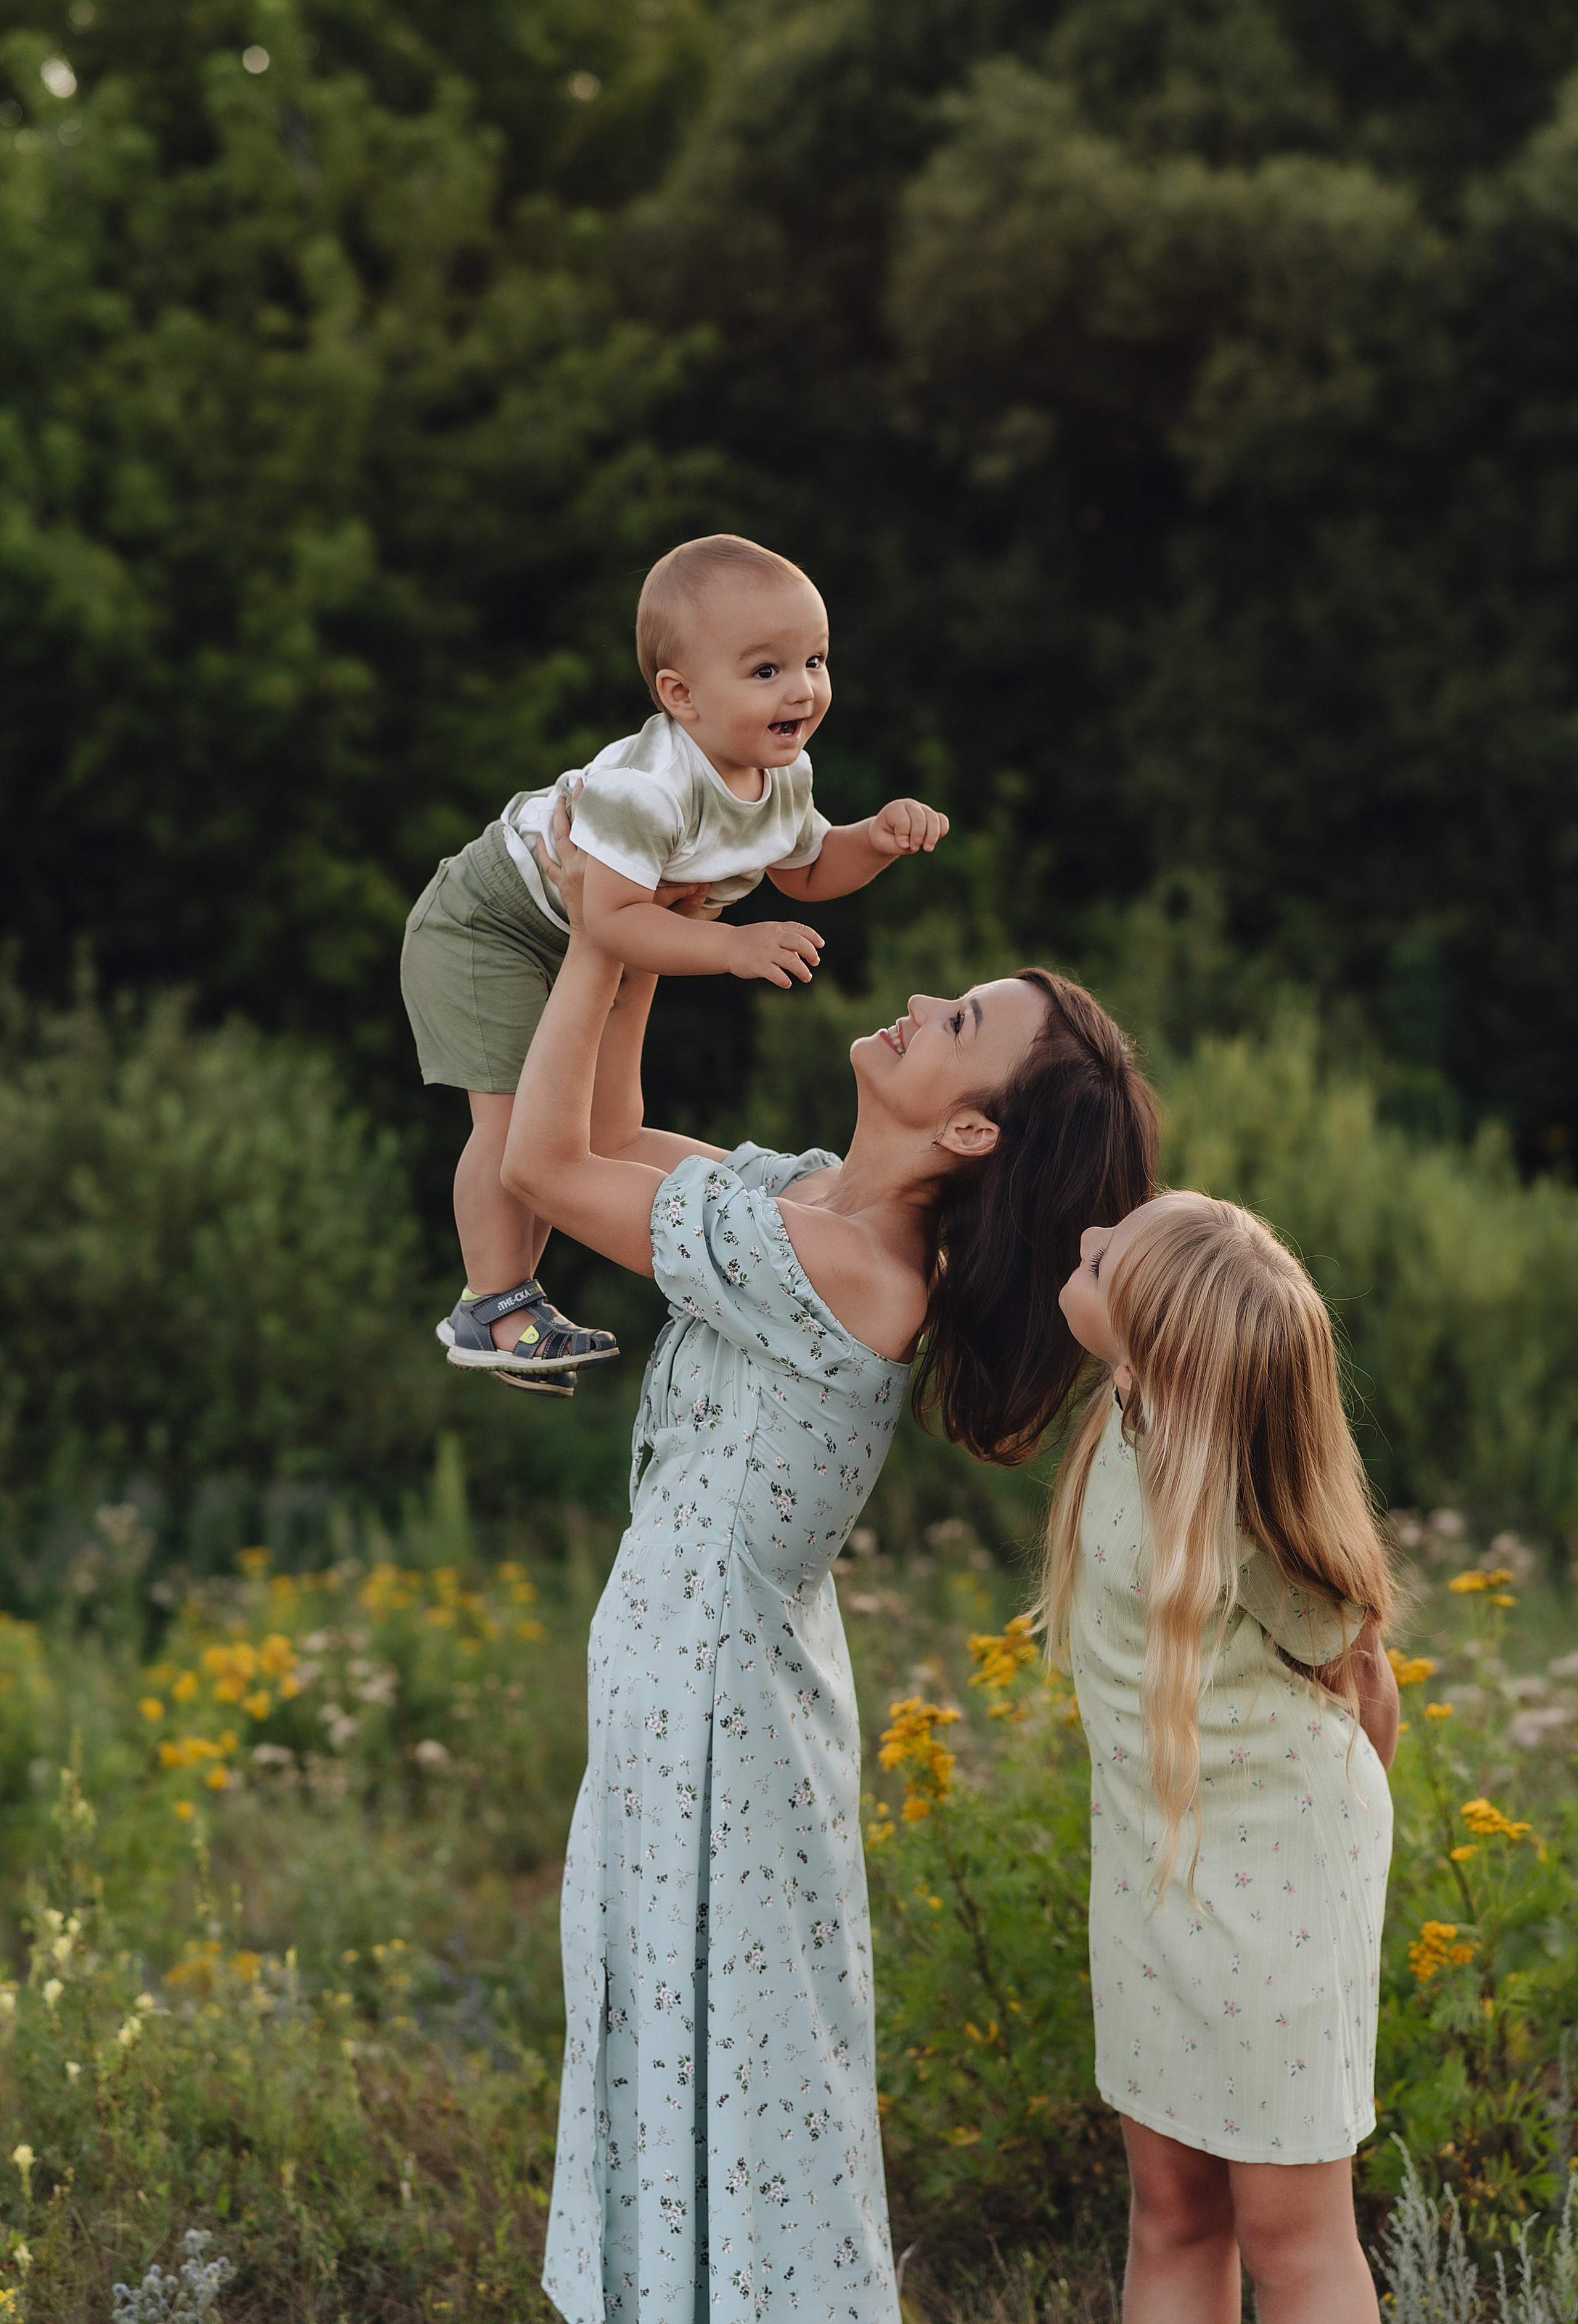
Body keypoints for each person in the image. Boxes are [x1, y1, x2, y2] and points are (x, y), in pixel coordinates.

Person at [505, 801, 1158, 2324]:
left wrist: (603, 924)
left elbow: (538, 1162)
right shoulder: (803, 1195)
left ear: (973, 1127)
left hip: (718, 1721)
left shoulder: (845, 1270)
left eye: (962, 1021)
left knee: (734, 2082)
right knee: (679, 2066)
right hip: (690, 1691)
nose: (922, 1003)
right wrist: (652, 910)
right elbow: (603, 1130)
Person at [399, 532, 947, 1396]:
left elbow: (803, 869)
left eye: (814, 659)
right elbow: (614, 918)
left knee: (579, 1125)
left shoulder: (782, 774)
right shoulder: (647, 788)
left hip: (576, 931)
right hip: (490, 926)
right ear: (679, 695)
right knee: (514, 1124)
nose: (801, 687)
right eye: (766, 670)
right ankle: (495, 1305)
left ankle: (512, 1304)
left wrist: (872, 842)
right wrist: (731, 946)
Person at [1044, 1191, 1400, 2324]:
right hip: (1155, 1864)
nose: (1087, 1242)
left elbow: (1360, 1681)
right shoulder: (1129, 1408)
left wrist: (1337, 1883)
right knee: (1172, 2208)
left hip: (1278, 1885)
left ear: (1161, 1348)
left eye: (1108, 1262)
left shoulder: (1243, 1503)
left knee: (1292, 2239)